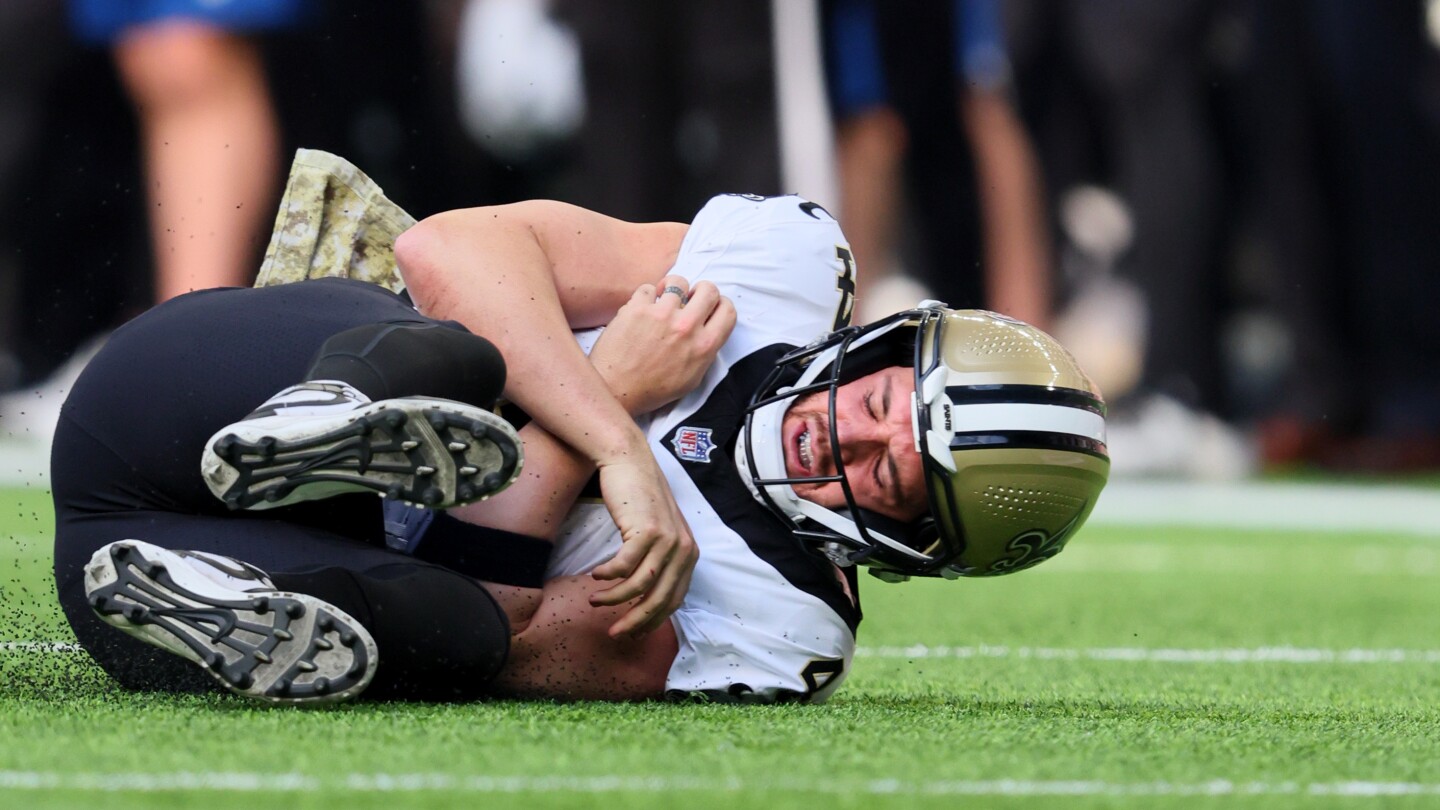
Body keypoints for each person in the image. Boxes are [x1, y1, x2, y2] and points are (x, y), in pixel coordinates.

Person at [62, 156, 1109, 704]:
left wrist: (581, 423)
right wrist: (618, 439)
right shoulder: (781, 272)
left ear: (919, 550)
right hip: (194, 392)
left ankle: (240, 607)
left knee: (451, 635)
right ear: (882, 354)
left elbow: (504, 634)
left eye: (897, 480)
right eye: (883, 410)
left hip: (135, 578)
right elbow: (452, 251)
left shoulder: (779, 630)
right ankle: (327, 421)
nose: (853, 444)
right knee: (461, 358)